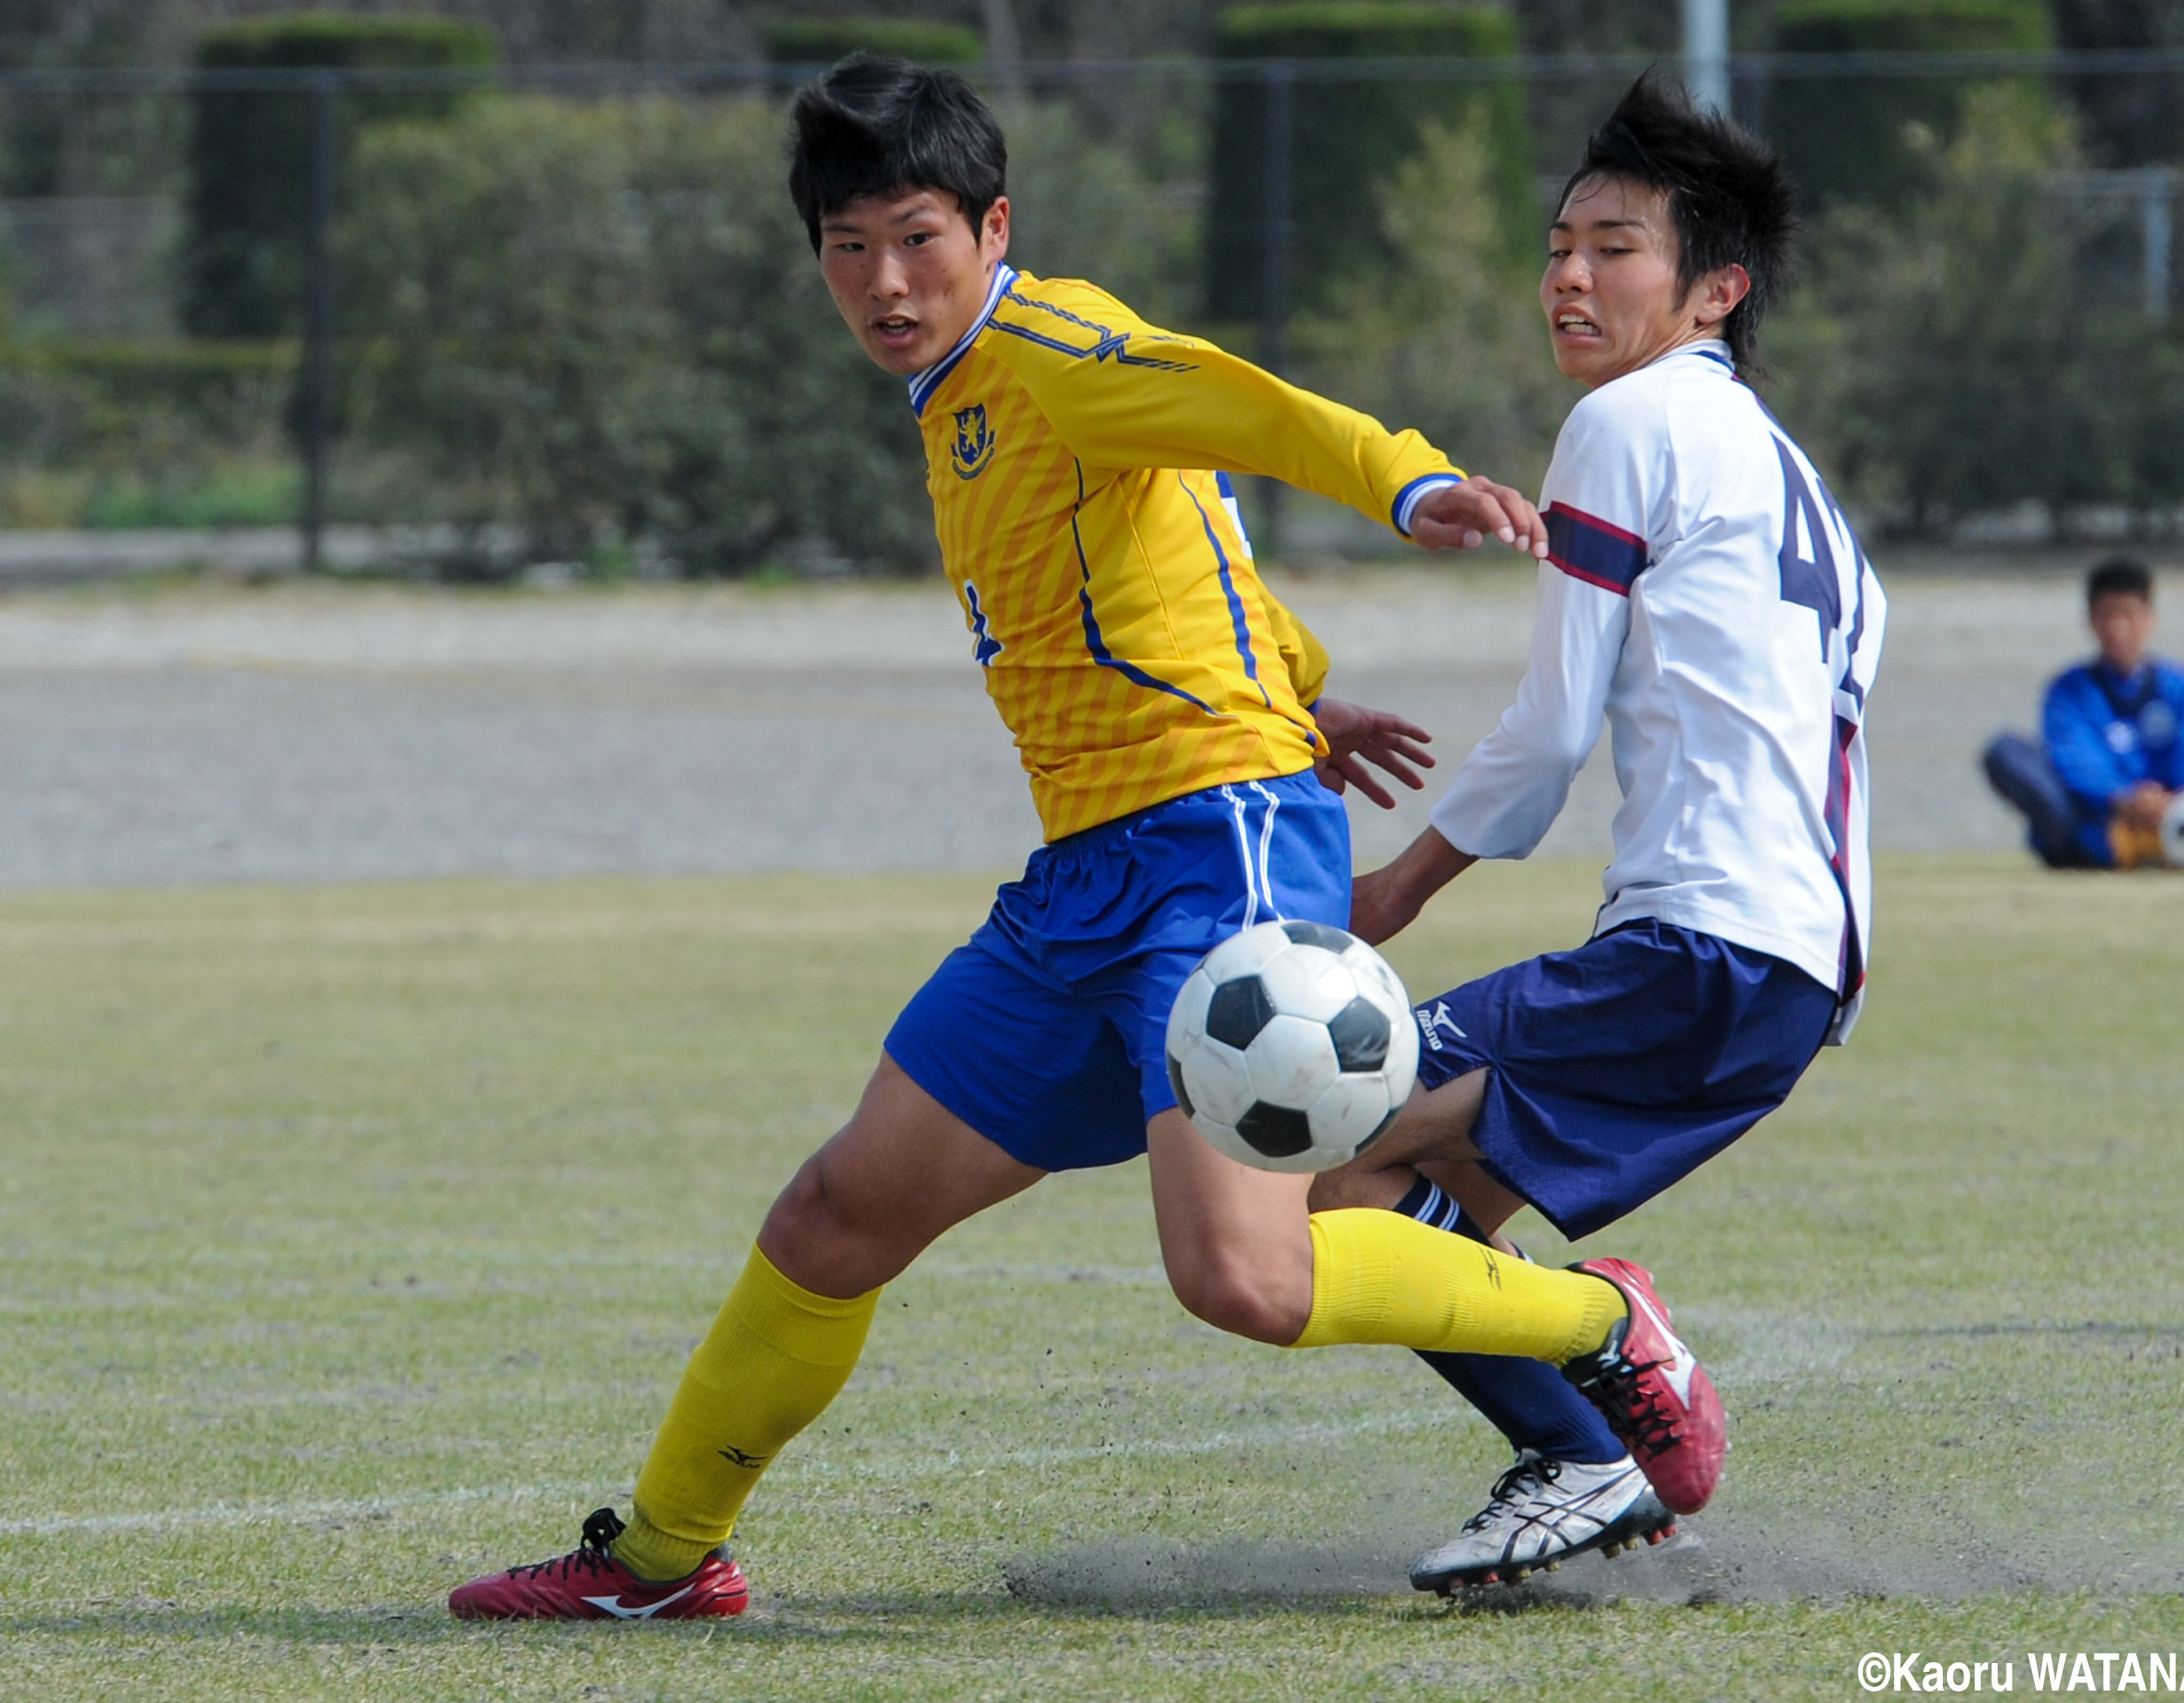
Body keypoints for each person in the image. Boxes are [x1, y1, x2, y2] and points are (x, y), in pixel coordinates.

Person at [447, 56, 1722, 1621]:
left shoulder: (1049, 341)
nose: (885, 282)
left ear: (993, 225)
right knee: (835, 1216)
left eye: (917, 236)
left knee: (1243, 1276)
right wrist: (1304, 689)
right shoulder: (959, 399)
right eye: (848, 247)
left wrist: (1414, 480)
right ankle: (656, 1560)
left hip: (1219, 850)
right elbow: (1162, 542)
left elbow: (1237, 407)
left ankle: (1595, 1324)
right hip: (1085, 885)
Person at [1306, 74, 1885, 1595]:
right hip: (1791, 972)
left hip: (1700, 943)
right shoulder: (1794, 478)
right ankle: (1585, 1448)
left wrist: (1397, 890)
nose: (1569, 275)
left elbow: (1554, 730)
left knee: (1331, 1144)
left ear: (1715, 290)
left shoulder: (1625, 423)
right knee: (1386, 1206)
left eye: (1614, 247)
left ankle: (1594, 1423)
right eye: (1559, 244)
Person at [1983, 558, 2184, 869]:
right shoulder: (2069, 690)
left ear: (2149, 620)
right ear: (2091, 621)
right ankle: (2107, 851)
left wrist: (2177, 804)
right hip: (2105, 822)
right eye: (2108, 616)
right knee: (2005, 752)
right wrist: (2124, 799)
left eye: (2129, 616)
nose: (2118, 628)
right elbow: (2074, 761)